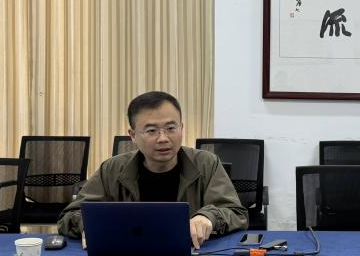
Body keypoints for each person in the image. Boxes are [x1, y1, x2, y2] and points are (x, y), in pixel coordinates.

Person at [58, 91, 248, 247]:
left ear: (181, 128)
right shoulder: (112, 169)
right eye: (151, 131)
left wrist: (208, 217)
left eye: (171, 128)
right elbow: (69, 217)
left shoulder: (206, 163)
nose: (163, 138)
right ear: (133, 135)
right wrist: (89, 225)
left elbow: (236, 213)